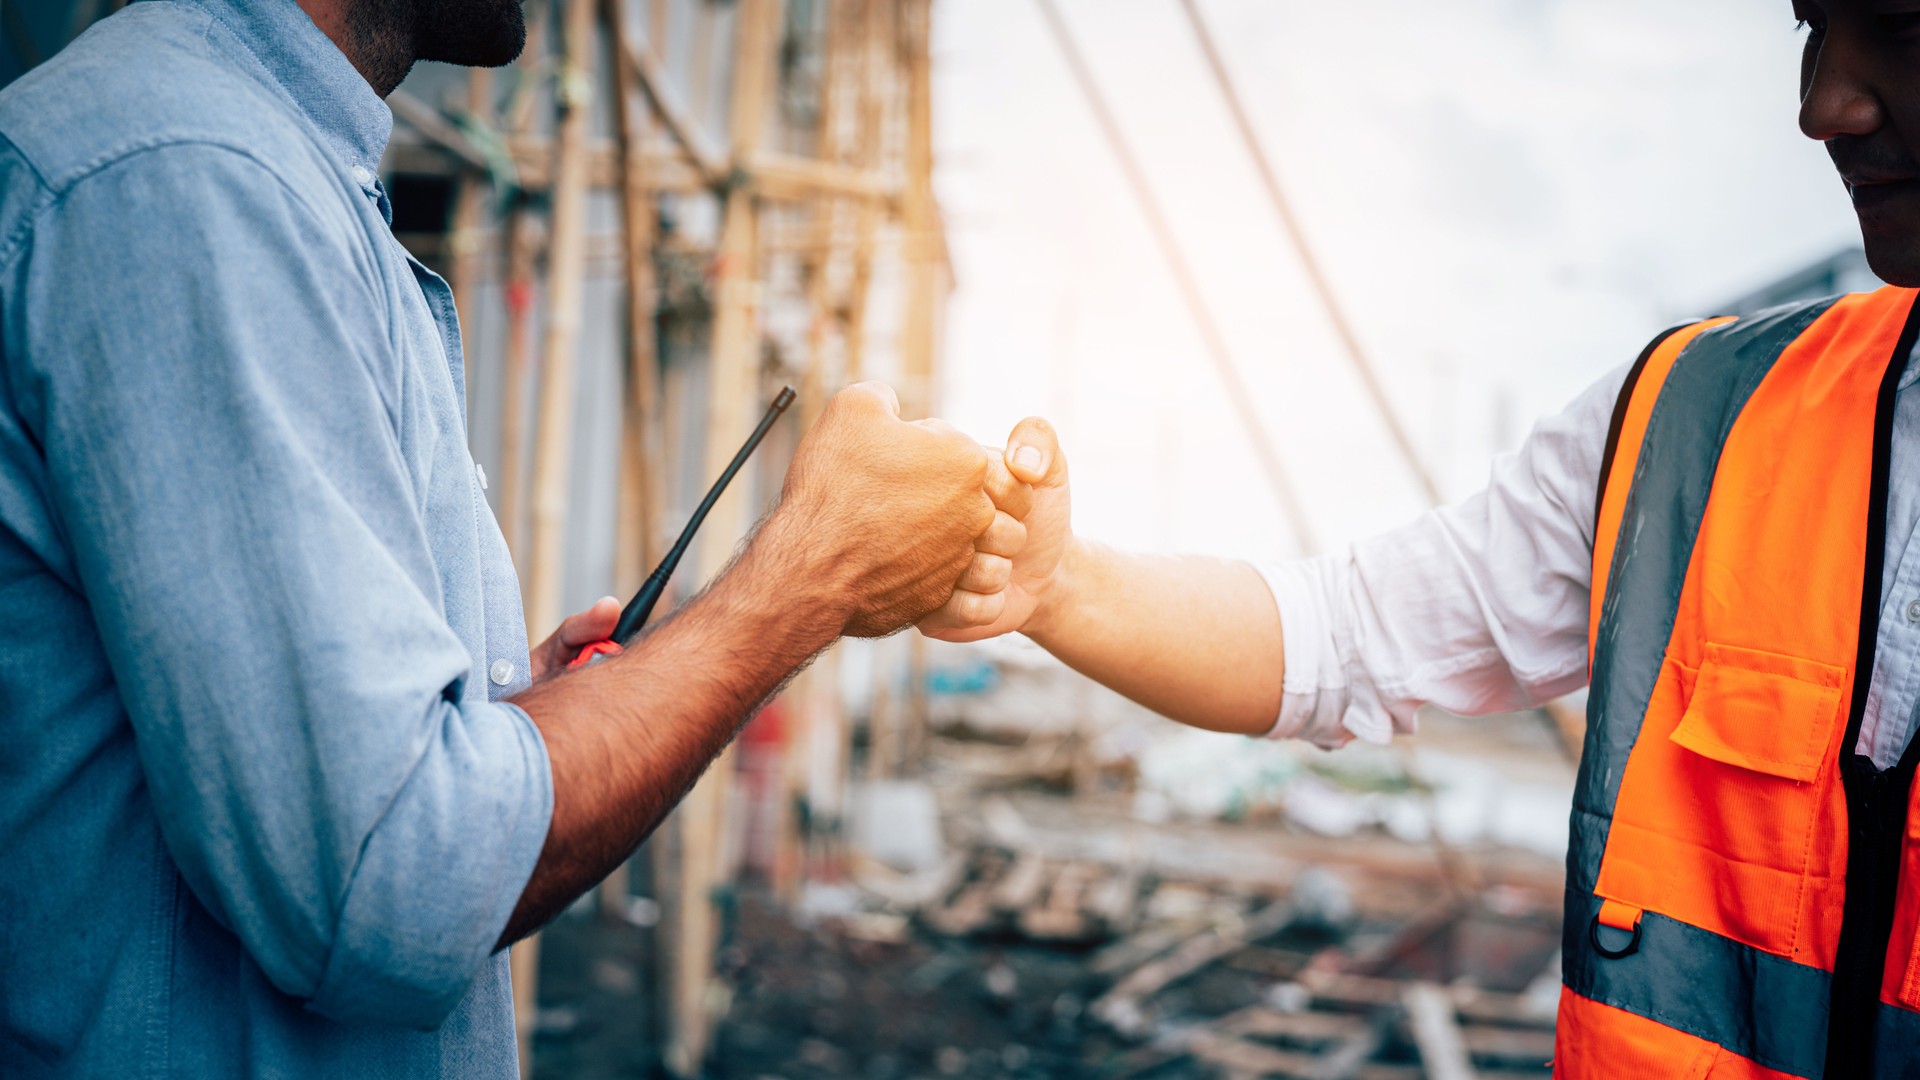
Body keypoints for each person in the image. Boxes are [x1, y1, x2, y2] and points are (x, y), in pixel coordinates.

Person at [0, 0, 1030, 1076]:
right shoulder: (188, 182)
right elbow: (390, 879)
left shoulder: (267, 173)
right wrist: (810, 577)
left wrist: (499, 729)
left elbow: (322, 787)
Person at [925, 2, 1920, 1075]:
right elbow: (1340, 635)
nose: (1824, 105)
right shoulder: (1695, 424)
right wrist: (1055, 583)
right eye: (1811, 28)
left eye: (1903, 28)